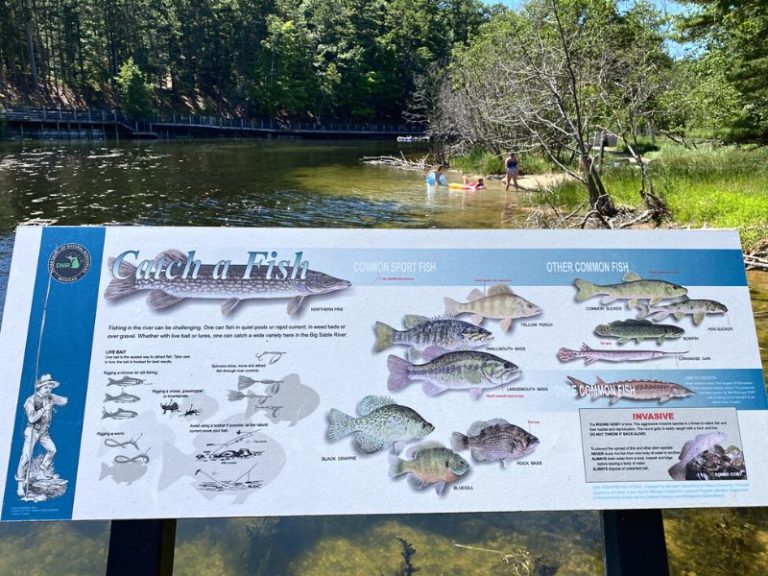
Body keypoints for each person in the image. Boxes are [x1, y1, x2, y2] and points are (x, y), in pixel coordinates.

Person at [15, 374, 68, 498]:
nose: (49, 390)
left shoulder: (49, 397)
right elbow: (32, 418)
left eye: (50, 388)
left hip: (44, 431)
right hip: (33, 430)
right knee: (26, 456)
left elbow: (64, 400)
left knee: (52, 450)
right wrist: (44, 409)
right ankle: (20, 484)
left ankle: (42, 471)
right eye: (46, 388)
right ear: (40, 387)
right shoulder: (31, 400)